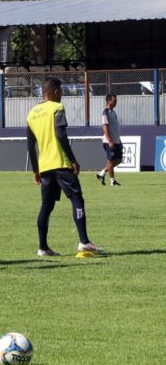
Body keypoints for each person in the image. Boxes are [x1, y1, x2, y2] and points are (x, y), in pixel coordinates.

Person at [27, 78, 105, 259]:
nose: (61, 94)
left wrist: (35, 170)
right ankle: (84, 241)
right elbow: (61, 134)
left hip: (45, 166)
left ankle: (43, 247)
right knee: (77, 198)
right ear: (54, 91)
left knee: (46, 205)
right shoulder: (57, 108)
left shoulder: (31, 113)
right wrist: (73, 159)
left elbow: (30, 145)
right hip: (61, 164)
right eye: (61, 91)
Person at [96, 93, 122, 186]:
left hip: (116, 140)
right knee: (110, 161)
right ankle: (112, 181)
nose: (115, 102)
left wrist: (119, 140)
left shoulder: (113, 112)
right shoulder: (105, 113)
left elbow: (114, 128)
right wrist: (110, 141)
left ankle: (102, 173)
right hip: (109, 141)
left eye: (116, 100)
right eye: (114, 100)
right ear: (108, 101)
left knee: (119, 159)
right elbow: (105, 127)